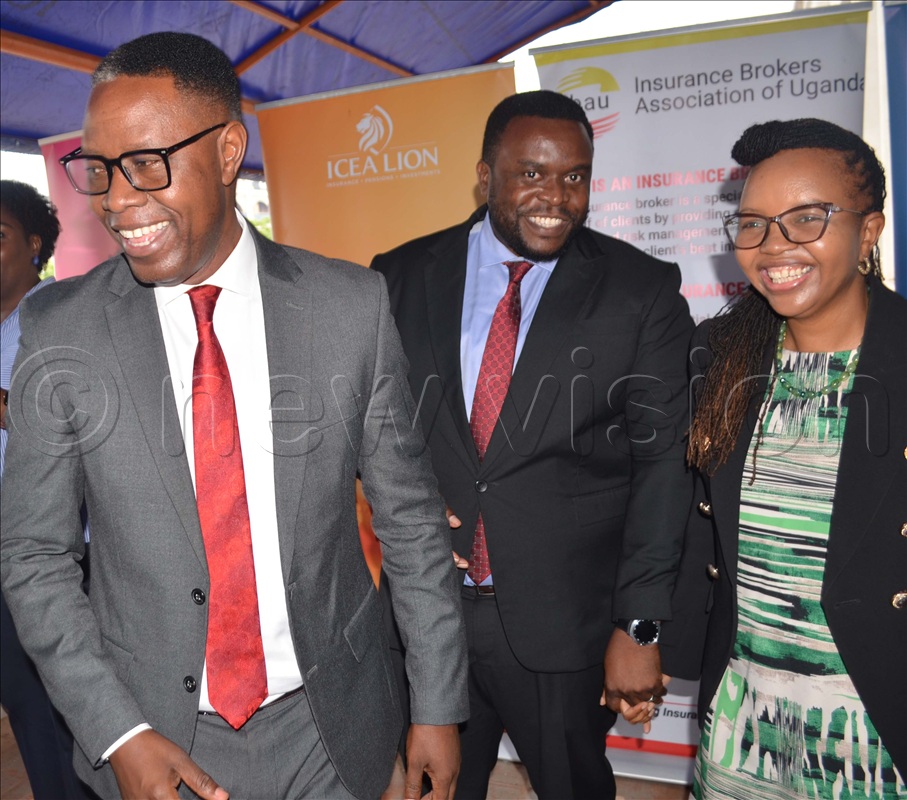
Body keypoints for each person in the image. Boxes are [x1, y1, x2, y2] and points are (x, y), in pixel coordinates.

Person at [0, 32, 468, 800]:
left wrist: (439, 704)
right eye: (100, 170)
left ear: (226, 152)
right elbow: (33, 555)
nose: (118, 200)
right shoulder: (62, 328)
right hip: (151, 733)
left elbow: (411, 524)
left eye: (148, 164)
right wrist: (116, 730)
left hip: (331, 724)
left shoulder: (347, 307)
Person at [370, 90, 694, 799]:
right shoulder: (396, 276)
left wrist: (637, 625)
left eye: (574, 176)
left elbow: (662, 464)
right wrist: (407, 514)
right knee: (434, 789)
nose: (556, 196)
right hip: (430, 614)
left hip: (564, 620)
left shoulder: (640, 291)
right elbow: (371, 429)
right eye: (531, 174)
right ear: (486, 177)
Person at [657, 118, 907, 798]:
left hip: (874, 737)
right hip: (743, 728)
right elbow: (693, 525)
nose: (773, 246)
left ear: (869, 231)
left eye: (805, 218)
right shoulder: (720, 359)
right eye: (753, 224)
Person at [0, 180, 89, 800]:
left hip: (57, 560)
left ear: (35, 245)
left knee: (70, 720)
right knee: (30, 721)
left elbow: (73, 417)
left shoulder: (64, 315)